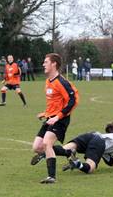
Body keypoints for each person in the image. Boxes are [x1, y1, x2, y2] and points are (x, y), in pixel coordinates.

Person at [32, 53, 79, 184]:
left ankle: (51, 177)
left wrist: (58, 116)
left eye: (46, 62)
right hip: (50, 117)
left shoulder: (62, 82)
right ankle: (68, 152)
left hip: (61, 119)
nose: (43, 64)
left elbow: (73, 100)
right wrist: (46, 113)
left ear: (54, 64)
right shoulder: (48, 82)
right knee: (37, 147)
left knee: (47, 143)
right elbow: (54, 103)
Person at [31, 122, 113, 174]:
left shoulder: (108, 137)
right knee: (90, 168)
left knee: (66, 148)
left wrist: (112, 159)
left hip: (91, 135)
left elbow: (109, 161)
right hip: (98, 142)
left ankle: (45, 152)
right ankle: (77, 164)